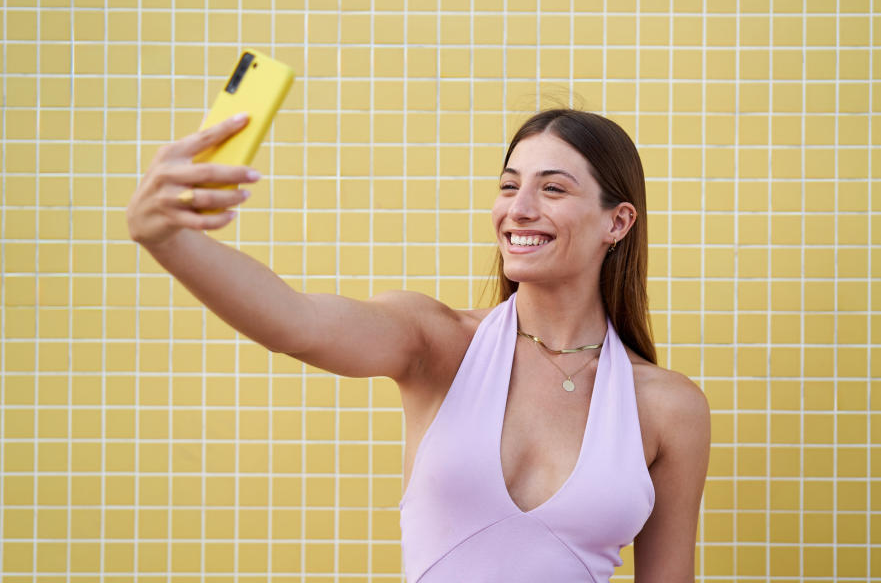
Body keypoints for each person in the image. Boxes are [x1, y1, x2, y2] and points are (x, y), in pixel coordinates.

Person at [127, 108, 710, 582]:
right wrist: (167, 239)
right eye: (509, 186)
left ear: (618, 222)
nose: (519, 208)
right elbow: (295, 324)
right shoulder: (437, 342)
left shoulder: (667, 408)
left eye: (552, 188)